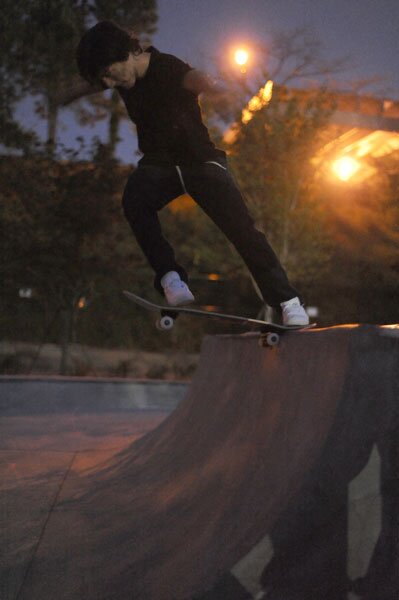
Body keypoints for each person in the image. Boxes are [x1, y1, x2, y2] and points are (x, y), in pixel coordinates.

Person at [74, 20, 309, 326]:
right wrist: (67, 91)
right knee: (135, 200)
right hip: (159, 165)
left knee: (242, 230)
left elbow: (193, 78)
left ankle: (288, 302)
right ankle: (171, 279)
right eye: (103, 79)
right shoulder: (121, 77)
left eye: (109, 74)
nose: (109, 84)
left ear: (126, 54)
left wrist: (215, 88)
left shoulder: (168, 68)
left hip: (200, 162)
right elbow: (91, 82)